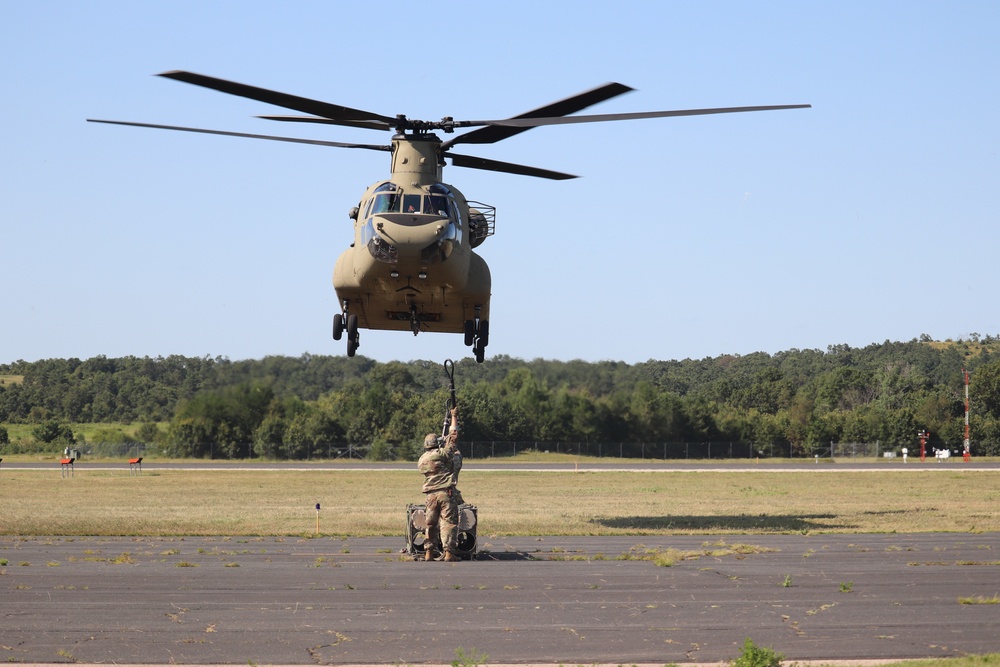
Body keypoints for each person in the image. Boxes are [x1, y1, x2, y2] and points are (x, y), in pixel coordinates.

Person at [417, 407, 460, 562]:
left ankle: (428, 552)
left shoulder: (422, 460)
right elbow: (453, 436)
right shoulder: (442, 454)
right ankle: (449, 553)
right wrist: (454, 417)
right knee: (448, 523)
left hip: (430, 495)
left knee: (430, 524)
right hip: (445, 493)